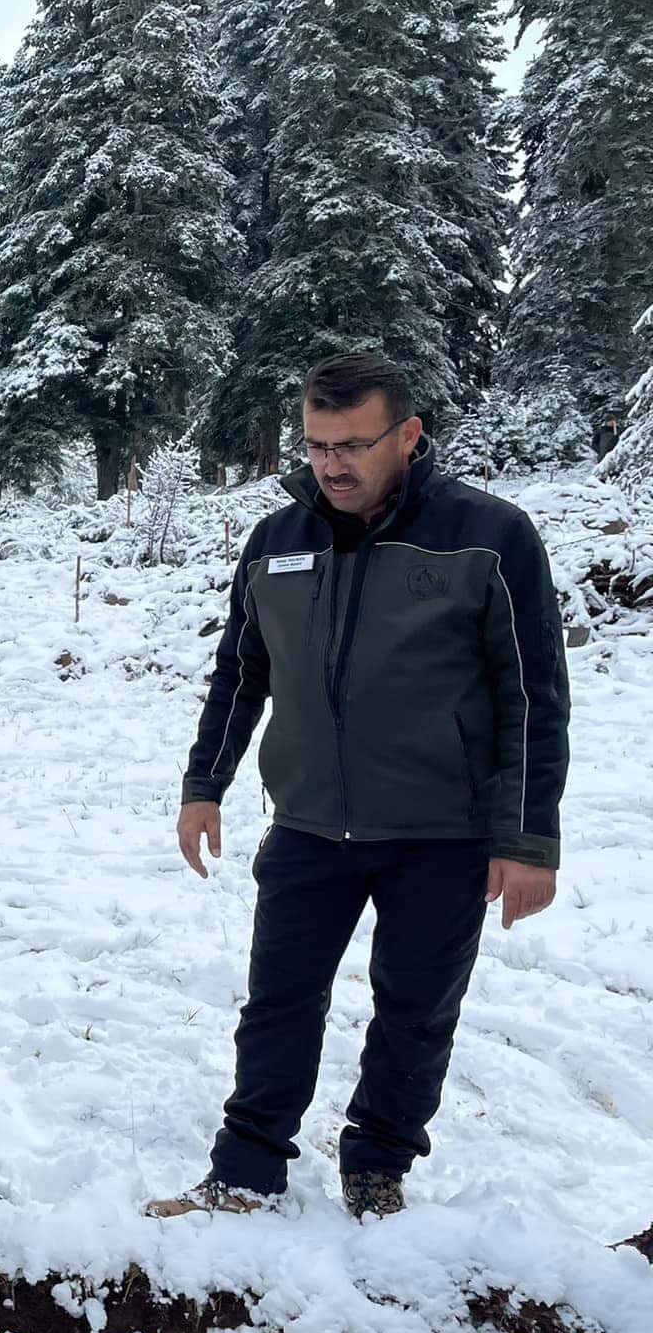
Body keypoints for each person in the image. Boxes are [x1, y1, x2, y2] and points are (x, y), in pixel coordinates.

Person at [151, 353, 570, 1222]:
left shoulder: (489, 537)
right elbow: (240, 673)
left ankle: (377, 1161)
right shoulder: (277, 542)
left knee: (415, 1012)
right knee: (278, 1002)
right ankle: (247, 1168)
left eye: (352, 444)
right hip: (309, 824)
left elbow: (533, 694)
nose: (331, 464)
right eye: (315, 445)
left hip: (442, 834)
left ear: (408, 436)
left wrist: (527, 840)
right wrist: (205, 784)